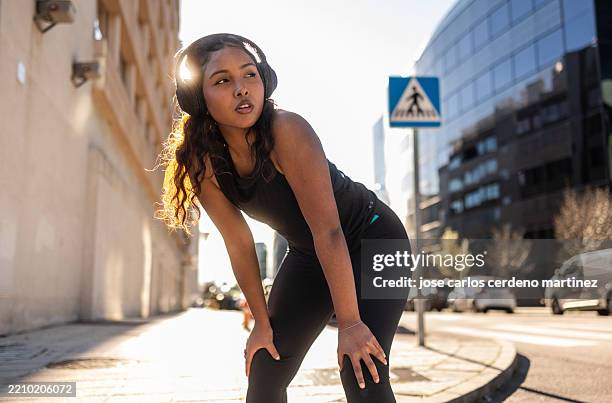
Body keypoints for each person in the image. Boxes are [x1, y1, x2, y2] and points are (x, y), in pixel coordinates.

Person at [156, 33, 410, 403]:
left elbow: (329, 230)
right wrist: (260, 322)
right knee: (265, 369)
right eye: (222, 80)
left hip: (375, 242)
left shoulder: (287, 130)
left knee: (362, 369)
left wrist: (351, 324)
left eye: (249, 75)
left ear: (264, 80)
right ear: (199, 99)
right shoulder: (202, 162)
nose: (241, 89)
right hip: (310, 254)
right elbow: (239, 243)